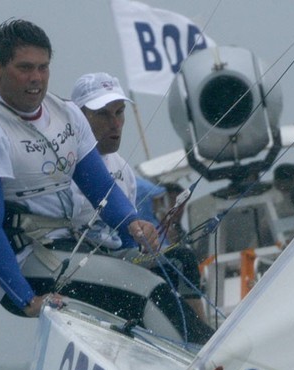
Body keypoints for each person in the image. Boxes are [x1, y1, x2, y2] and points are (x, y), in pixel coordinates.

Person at [0, 20, 160, 321]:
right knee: (148, 291)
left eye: (43, 67)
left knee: (169, 267)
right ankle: (208, 362)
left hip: (71, 250)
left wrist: (133, 225)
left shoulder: (66, 113)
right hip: (23, 268)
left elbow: (100, 188)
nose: (36, 78)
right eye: (25, 68)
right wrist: (26, 300)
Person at [68, 72, 211, 336]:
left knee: (181, 258)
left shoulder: (123, 170)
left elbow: (129, 241)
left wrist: (147, 240)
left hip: (116, 259)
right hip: (80, 264)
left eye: (120, 113)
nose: (115, 124)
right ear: (78, 118)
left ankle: (205, 341)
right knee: (160, 281)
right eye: (103, 114)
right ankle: (200, 342)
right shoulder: (66, 165)